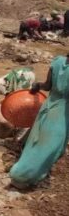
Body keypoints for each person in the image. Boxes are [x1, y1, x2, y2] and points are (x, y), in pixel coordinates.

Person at [9, 54, 69, 188]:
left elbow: (47, 86)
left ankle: (21, 171)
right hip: (62, 113)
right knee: (53, 147)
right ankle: (26, 176)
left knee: (36, 143)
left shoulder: (57, 61)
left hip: (47, 107)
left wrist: (37, 86)